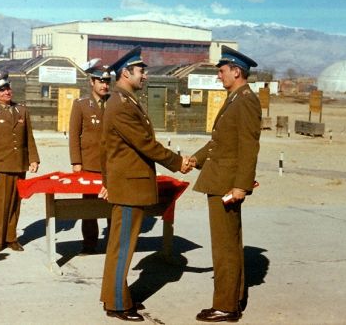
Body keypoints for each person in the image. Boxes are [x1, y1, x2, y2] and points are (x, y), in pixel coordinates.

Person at [99, 46, 192, 322]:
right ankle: (117, 303)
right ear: (126, 72)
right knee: (123, 246)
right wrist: (178, 162)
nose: (146, 75)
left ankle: (116, 297)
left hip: (129, 185)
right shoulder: (121, 105)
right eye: (141, 71)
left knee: (122, 245)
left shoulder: (126, 101)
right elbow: (146, 144)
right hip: (129, 188)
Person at [189, 45, 261, 322]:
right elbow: (219, 142)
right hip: (220, 180)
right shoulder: (235, 98)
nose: (219, 76)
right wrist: (194, 160)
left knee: (225, 247)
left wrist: (241, 186)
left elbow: (248, 146)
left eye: (222, 71)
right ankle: (233, 299)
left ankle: (226, 306)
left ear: (236, 71)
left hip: (227, 185)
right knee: (227, 245)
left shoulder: (245, 100)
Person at [0, 72, 40, 252]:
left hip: (19, 164)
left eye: (7, 88)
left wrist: (33, 159)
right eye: (1, 90)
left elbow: (29, 138)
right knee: (1, 203)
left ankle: (12, 238)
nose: (6, 92)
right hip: (0, 166)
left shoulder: (22, 110)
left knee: (15, 203)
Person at [69, 58, 111, 255]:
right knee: (89, 208)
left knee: (114, 205)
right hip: (89, 164)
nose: (104, 85)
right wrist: (76, 162)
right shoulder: (81, 105)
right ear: (91, 82)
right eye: (100, 81)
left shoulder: (114, 104)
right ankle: (89, 243)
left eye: (107, 81)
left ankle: (113, 242)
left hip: (112, 165)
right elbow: (74, 135)